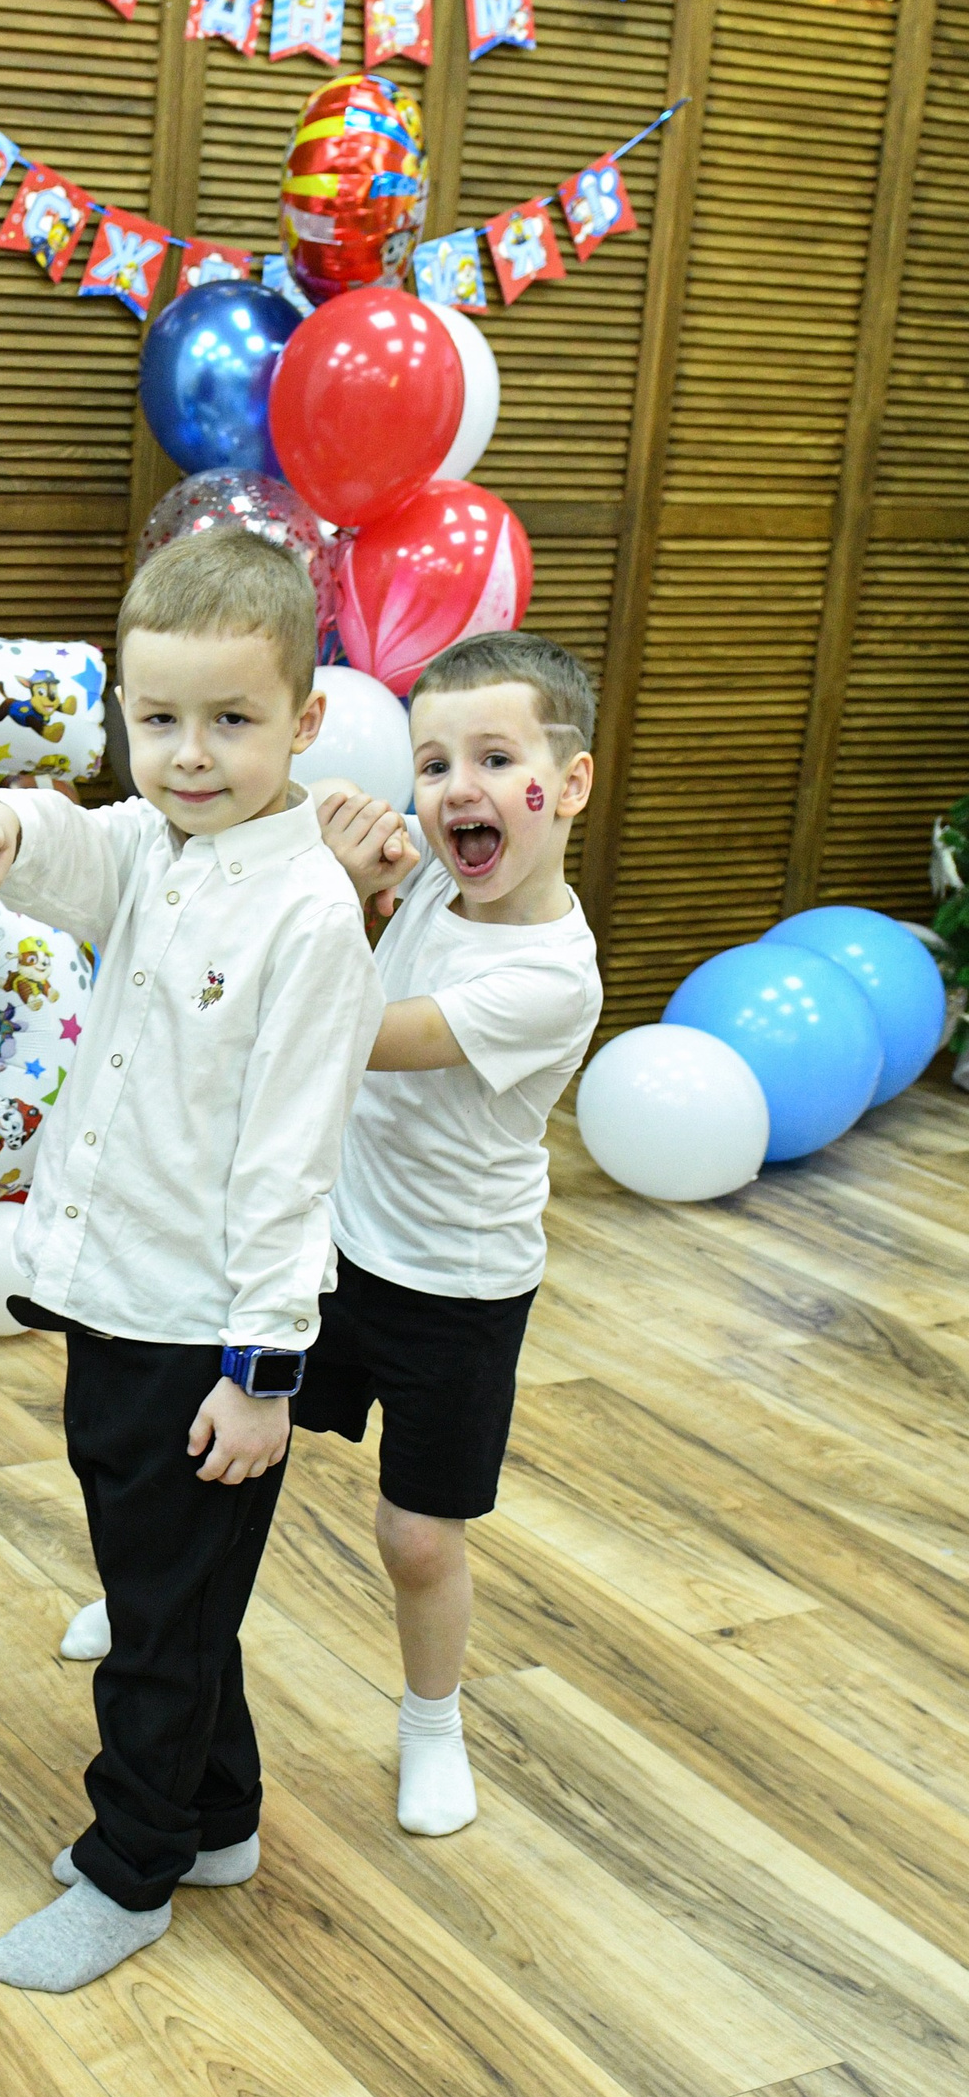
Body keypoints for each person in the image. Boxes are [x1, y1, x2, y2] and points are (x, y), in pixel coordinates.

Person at [0, 528, 383, 1992]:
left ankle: (131, 1872)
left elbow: (291, 1164)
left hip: (207, 1332)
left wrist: (263, 1370)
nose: (189, 754)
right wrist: (3, 823)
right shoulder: (163, 844)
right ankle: (219, 1813)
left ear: (304, 723)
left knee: (153, 1625)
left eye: (232, 721)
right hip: (117, 1299)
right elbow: (86, 840)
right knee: (173, 1587)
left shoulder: (305, 912)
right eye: (159, 718)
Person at [304, 632, 603, 1839]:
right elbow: (386, 900)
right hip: (334, 1242)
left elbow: (359, 1028)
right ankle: (161, 1611)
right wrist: (362, 856)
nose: (455, 790)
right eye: (434, 763)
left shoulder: (552, 976)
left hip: (456, 1291)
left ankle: (431, 1721)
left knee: (416, 1536)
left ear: (567, 783)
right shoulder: (440, 875)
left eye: (494, 757)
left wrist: (329, 890)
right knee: (220, 1447)